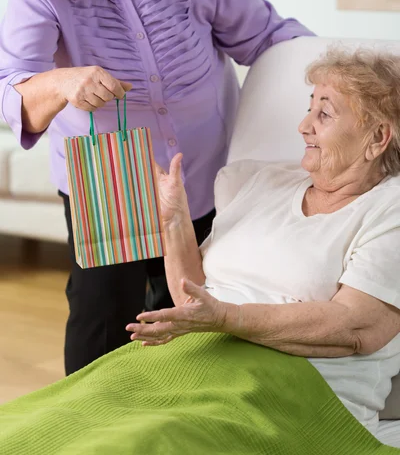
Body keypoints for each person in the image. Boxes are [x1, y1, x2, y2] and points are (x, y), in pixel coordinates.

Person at [0, 0, 313, 375]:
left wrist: (335, 75)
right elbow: (16, 96)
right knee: (103, 324)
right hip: (109, 182)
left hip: (206, 169)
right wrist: (62, 82)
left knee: (206, 314)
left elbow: (261, 34)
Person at [1, 48, 400, 455]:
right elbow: (195, 298)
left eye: (324, 114)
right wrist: (172, 220)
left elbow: (358, 327)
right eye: (308, 108)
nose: (303, 126)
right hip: (187, 358)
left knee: (137, 441)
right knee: (39, 423)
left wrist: (228, 318)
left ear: (377, 137)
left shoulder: (389, 209)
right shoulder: (261, 182)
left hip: (289, 389)